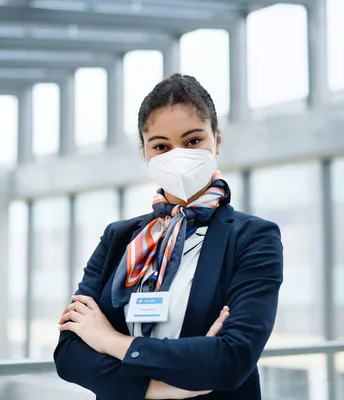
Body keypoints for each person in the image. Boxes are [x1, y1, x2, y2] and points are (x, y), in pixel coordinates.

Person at [53, 73, 283, 400]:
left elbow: (232, 358)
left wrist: (109, 341)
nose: (177, 156)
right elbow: (69, 354)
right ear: (145, 152)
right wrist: (161, 390)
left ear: (216, 141)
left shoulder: (253, 238)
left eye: (192, 141)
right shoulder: (118, 239)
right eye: (161, 146)